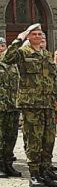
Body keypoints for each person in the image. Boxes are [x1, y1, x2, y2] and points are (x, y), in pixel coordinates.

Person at [2, 24, 57, 187]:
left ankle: (44, 171)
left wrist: (56, 98)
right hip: (31, 104)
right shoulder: (22, 53)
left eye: (40, 34)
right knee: (33, 140)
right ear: (28, 37)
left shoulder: (46, 55)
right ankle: (34, 174)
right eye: (34, 34)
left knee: (48, 140)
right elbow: (7, 59)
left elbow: (53, 79)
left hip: (48, 104)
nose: (38, 36)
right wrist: (19, 39)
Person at [0, 48, 20, 178]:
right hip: (1, 107)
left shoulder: (14, 66)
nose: (1, 49)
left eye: (3, 46)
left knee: (11, 137)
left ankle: (8, 164)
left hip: (13, 106)